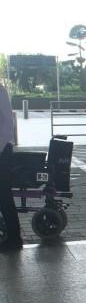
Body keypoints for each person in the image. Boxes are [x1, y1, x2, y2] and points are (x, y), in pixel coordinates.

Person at [0, 82, 22, 253]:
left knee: (4, 196)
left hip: (2, 152)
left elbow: (8, 125)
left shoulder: (0, 91)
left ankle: (15, 238)